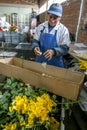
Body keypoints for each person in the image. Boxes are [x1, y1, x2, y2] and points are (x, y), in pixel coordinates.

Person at [32, 3, 70, 68]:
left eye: (55, 18)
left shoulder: (63, 30)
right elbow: (35, 41)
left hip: (56, 63)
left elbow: (65, 48)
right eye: (50, 17)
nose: (52, 20)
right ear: (48, 15)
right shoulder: (41, 27)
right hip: (40, 60)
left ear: (60, 18)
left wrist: (53, 51)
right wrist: (35, 47)